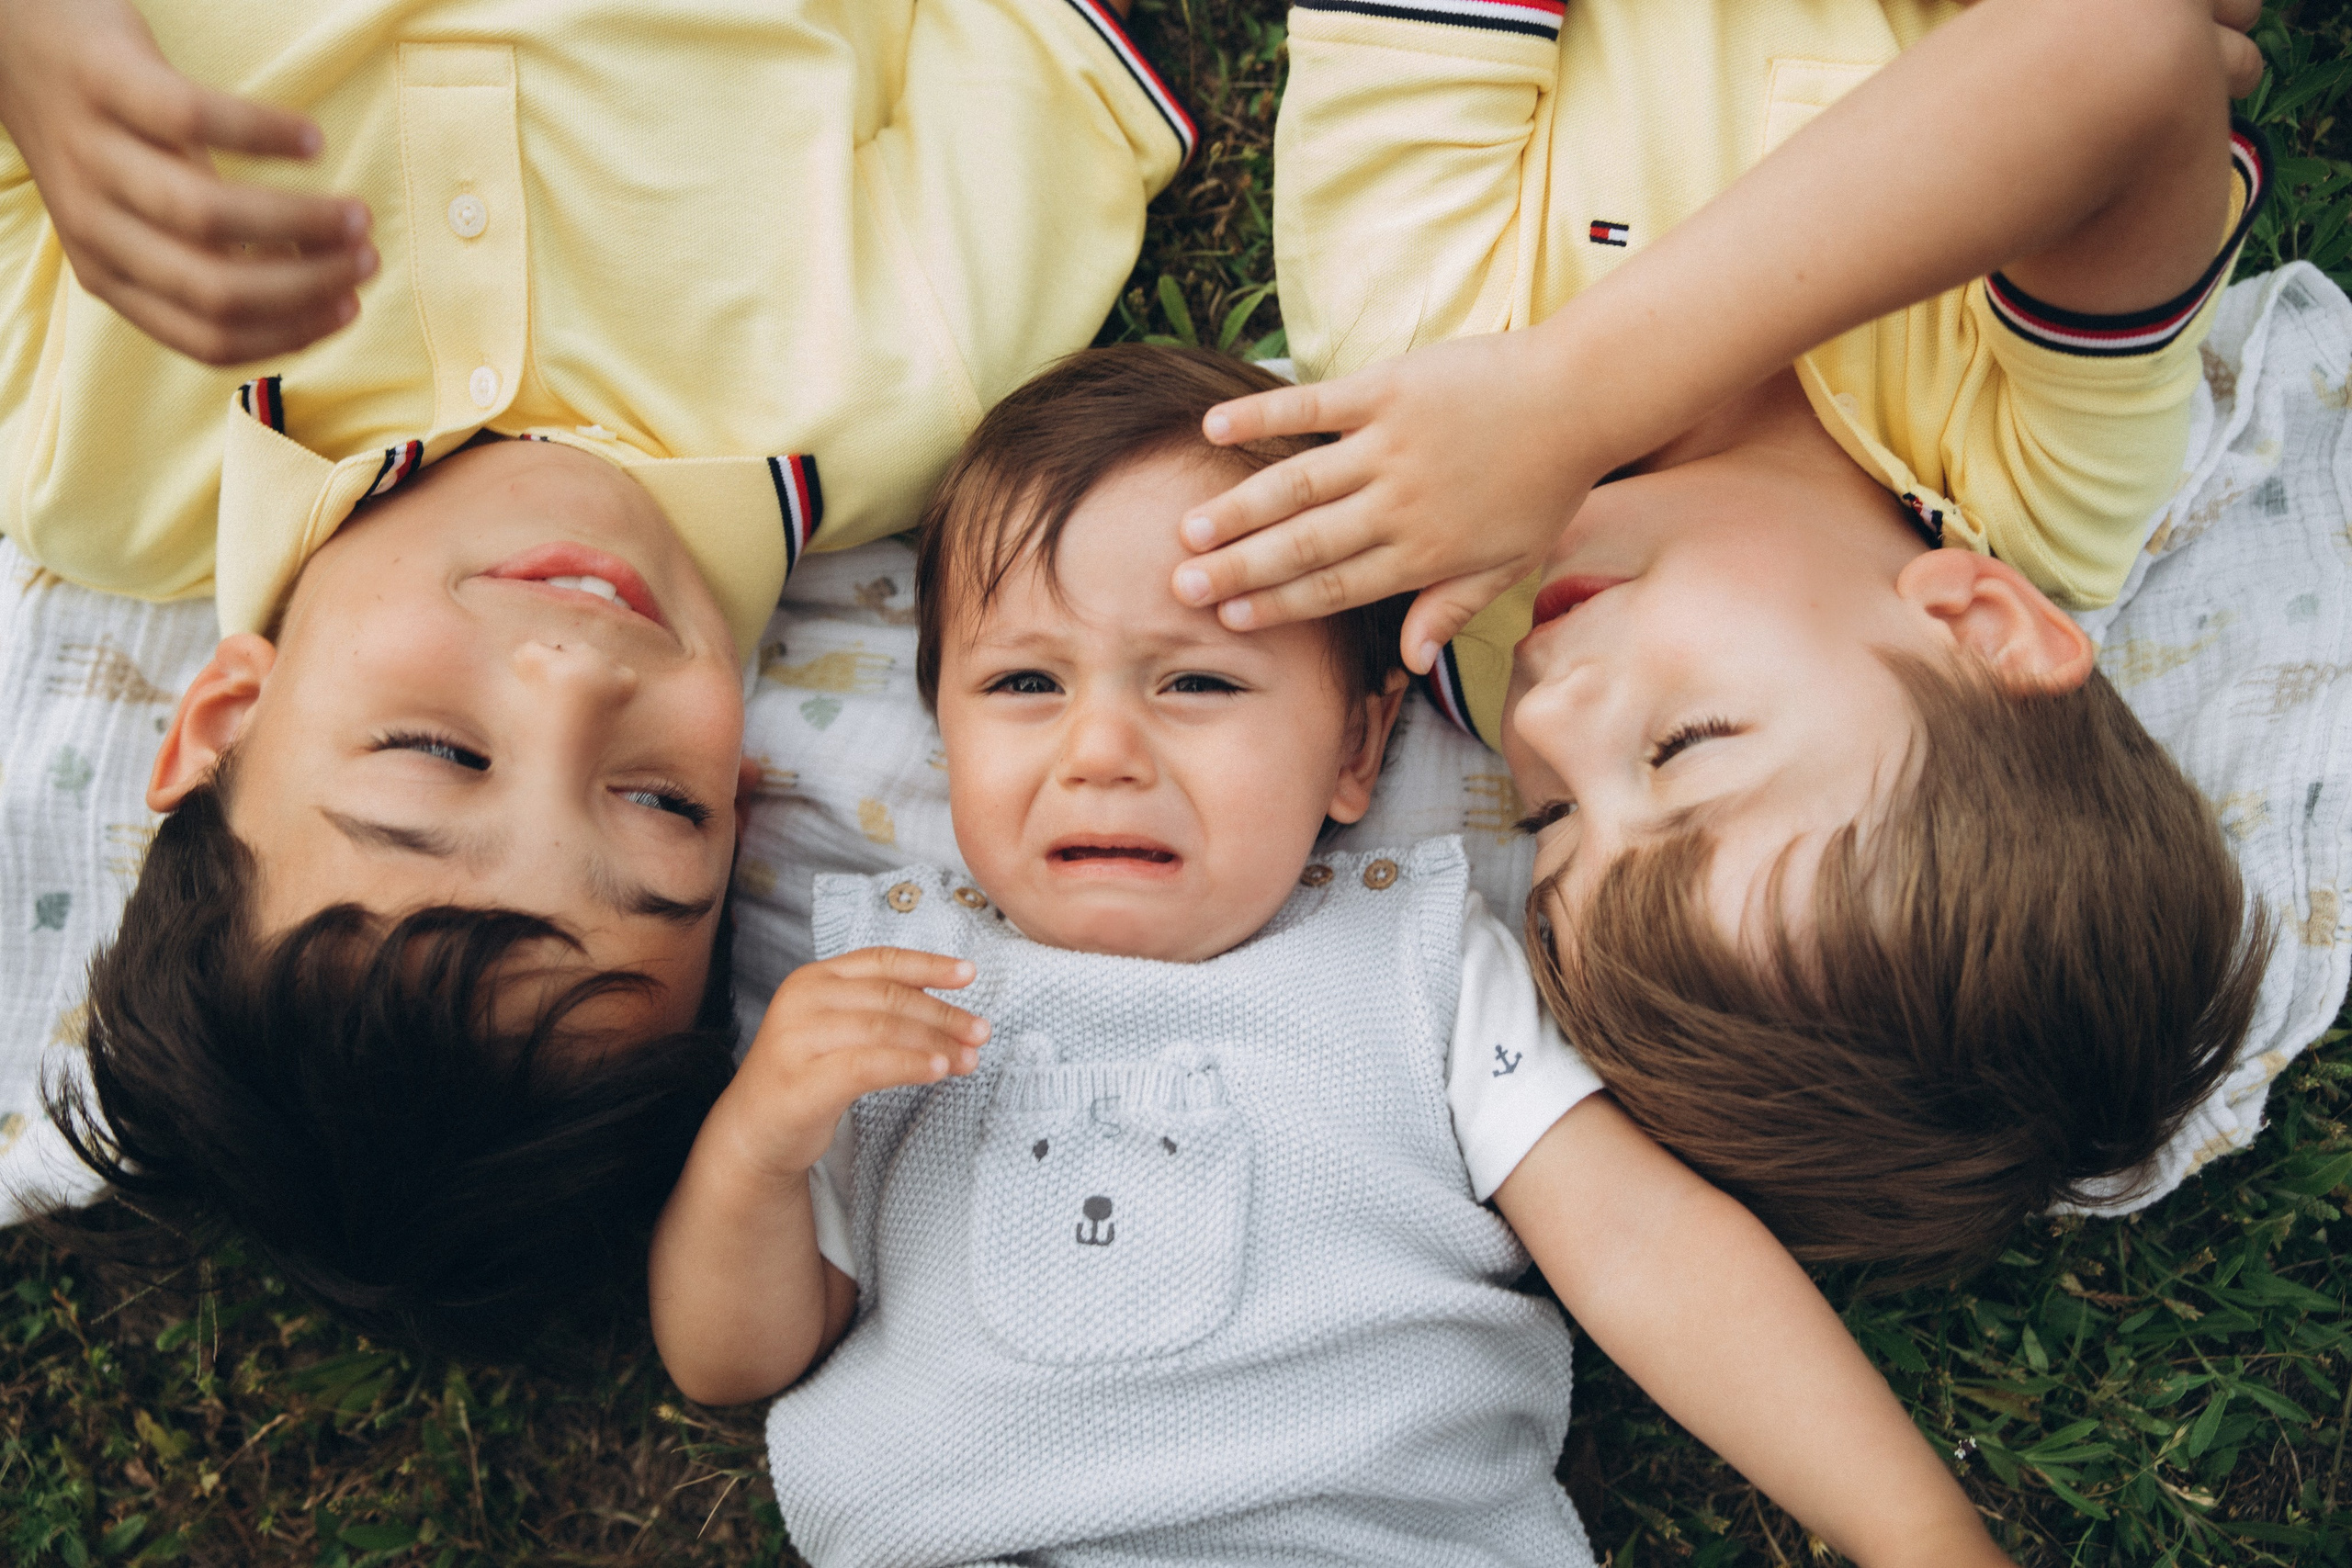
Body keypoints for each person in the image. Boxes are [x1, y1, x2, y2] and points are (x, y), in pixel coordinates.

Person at [648, 345, 2013, 1566]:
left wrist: (1918, 1532)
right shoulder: (882, 998)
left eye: (1197, 682)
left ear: (1358, 751)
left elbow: (1650, 1251)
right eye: (1023, 685)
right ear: (942, 736)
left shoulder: (1424, 973)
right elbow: (735, 1362)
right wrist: (754, 1151)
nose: (1103, 751)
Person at [1, 0, 1189, 1354]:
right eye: (659, 807)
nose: (572, 679)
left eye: (438, 756)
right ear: (745, 799)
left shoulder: (83, 449)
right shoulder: (907, 374)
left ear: (222, 718)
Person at [1160, 0, 2274, 1277]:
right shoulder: (2040, 494)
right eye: (1685, 750)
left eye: (1549, 826)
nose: (1542, 722)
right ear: (1980, 630)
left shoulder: (1422, 440)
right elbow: (2122, 49)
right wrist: (1569, 395)